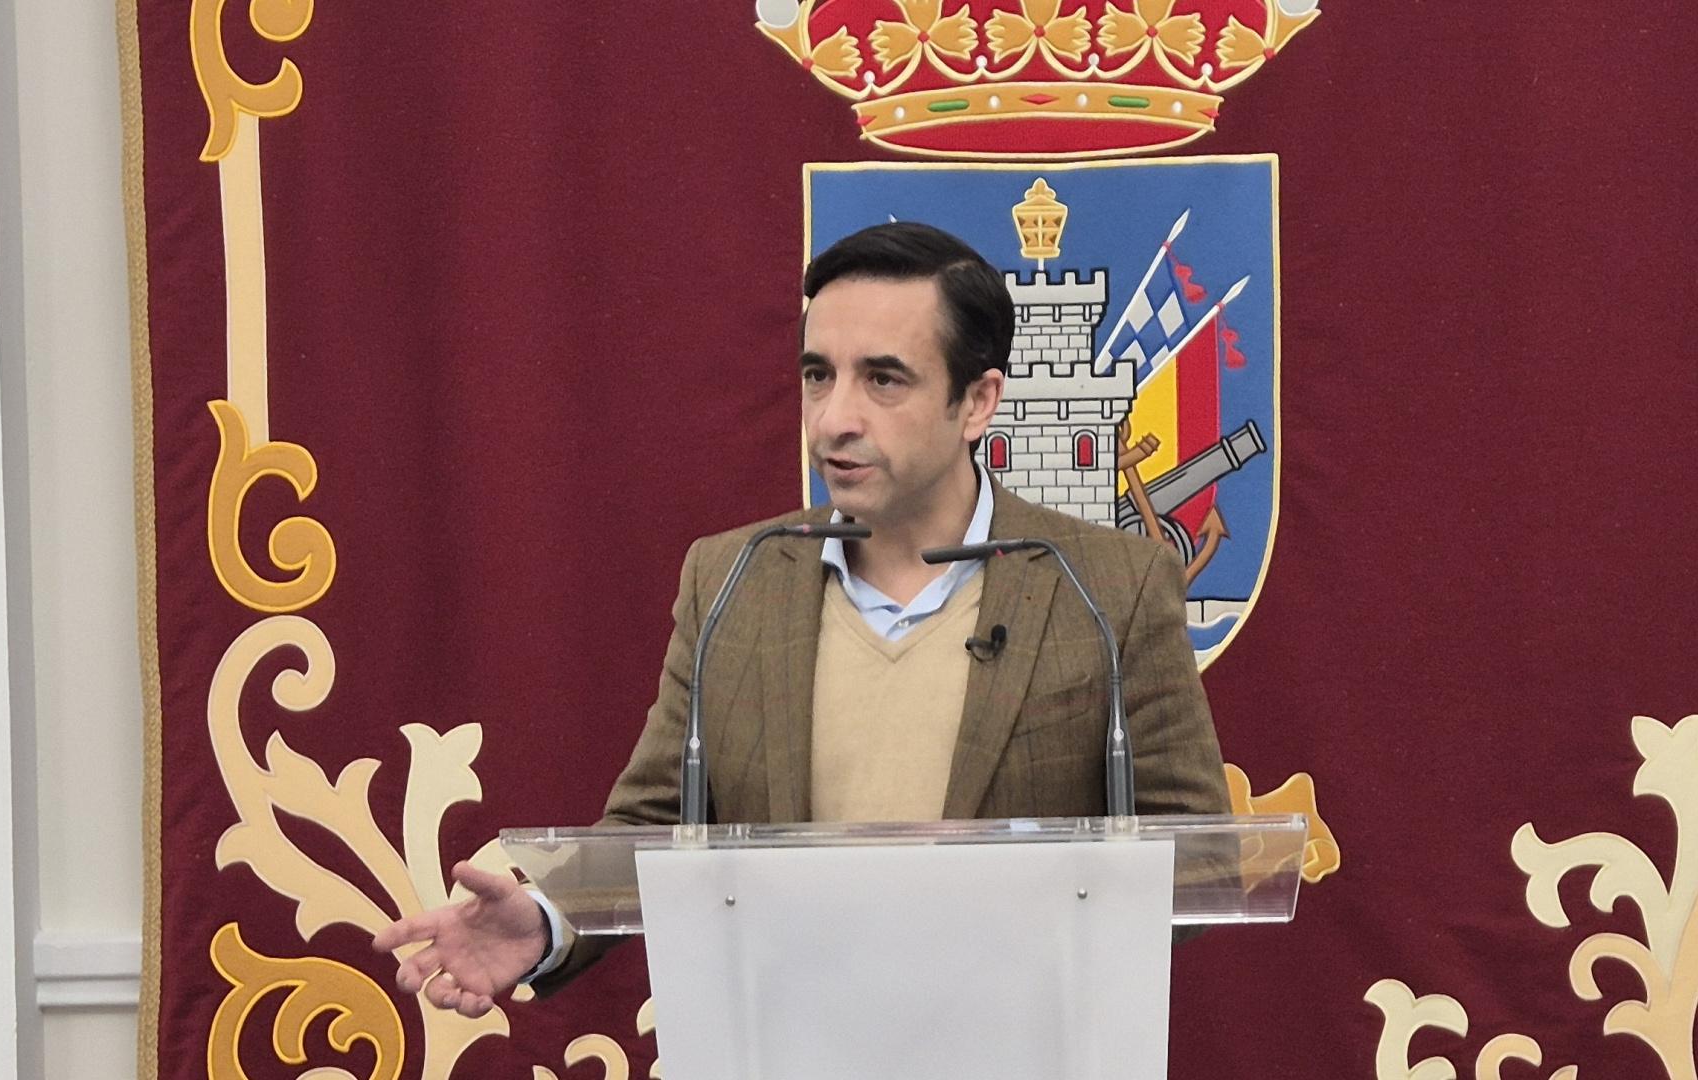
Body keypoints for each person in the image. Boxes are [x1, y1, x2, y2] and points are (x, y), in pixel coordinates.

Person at [372, 222, 1231, 1017]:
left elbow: (1200, 858)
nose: (835, 419)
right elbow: (656, 823)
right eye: (819, 375)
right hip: (784, 1042)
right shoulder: (735, 578)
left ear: (977, 401)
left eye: (883, 379)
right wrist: (549, 918)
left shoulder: (1106, 585)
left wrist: (992, 935)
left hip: (1022, 1043)